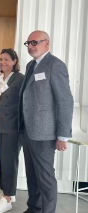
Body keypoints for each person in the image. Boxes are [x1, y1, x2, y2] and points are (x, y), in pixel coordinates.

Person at [19, 30, 74, 213]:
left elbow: (65, 101)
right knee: (32, 175)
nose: (31, 46)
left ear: (47, 43)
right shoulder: (29, 66)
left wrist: (63, 135)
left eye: (35, 42)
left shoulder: (55, 65)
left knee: (45, 177)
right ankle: (34, 208)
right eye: (29, 43)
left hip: (45, 133)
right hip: (27, 130)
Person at [0, 49, 24, 213]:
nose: (3, 62)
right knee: (0, 160)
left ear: (14, 61)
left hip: (12, 128)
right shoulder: (1, 78)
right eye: (1, 59)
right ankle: (6, 191)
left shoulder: (20, 79)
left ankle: (8, 198)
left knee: (9, 162)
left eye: (6, 59)